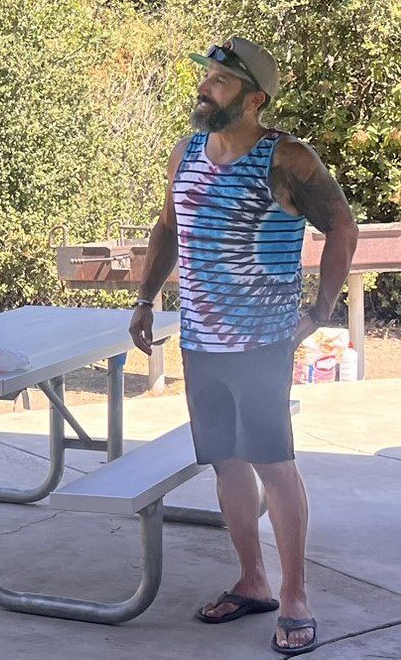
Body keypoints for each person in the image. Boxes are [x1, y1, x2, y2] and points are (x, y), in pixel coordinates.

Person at [129, 37, 358, 655]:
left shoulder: (287, 158)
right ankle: (253, 581)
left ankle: (295, 597)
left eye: (220, 81)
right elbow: (169, 227)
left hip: (261, 341)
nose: (205, 88)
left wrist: (321, 310)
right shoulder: (187, 152)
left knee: (272, 464)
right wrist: (145, 299)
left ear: (254, 99)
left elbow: (342, 227)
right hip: (201, 339)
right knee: (226, 462)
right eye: (206, 77)